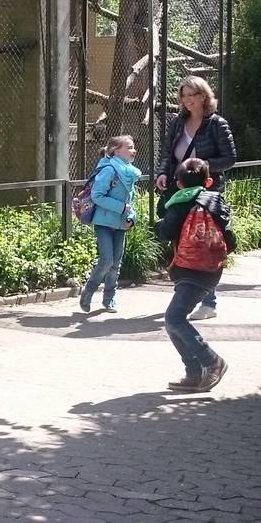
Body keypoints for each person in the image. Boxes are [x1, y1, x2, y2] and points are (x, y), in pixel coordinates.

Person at [152, 157, 237, 392]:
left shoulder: (179, 203)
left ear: (178, 183)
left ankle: (212, 362)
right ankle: (193, 373)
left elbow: (166, 232)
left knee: (174, 319)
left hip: (190, 269)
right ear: (208, 181)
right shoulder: (216, 200)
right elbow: (231, 239)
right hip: (211, 269)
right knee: (173, 321)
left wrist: (158, 224)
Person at [155, 76, 236, 321]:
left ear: (203, 95)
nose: (187, 100)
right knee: (179, 239)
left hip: (206, 192)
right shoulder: (177, 122)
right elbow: (168, 154)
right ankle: (187, 290)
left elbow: (230, 158)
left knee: (203, 243)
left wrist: (201, 167)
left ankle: (208, 302)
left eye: (192, 94)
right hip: (178, 189)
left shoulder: (217, 124)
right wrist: (162, 172)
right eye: (184, 95)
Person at [78, 135, 142, 314]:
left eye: (133, 146)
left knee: (116, 263)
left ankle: (109, 299)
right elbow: (98, 196)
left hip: (121, 223)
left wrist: (132, 217)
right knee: (107, 261)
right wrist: (122, 208)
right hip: (104, 222)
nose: (133, 150)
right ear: (116, 150)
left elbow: (130, 201)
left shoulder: (128, 171)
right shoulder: (109, 170)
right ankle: (88, 292)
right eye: (129, 147)